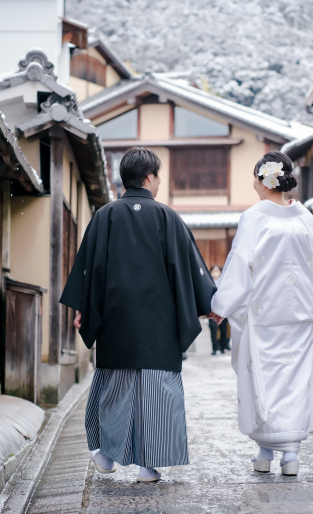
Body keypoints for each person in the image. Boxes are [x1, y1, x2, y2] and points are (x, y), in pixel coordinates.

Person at [60, 147, 216, 483]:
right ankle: (149, 466)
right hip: (160, 325)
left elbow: (91, 270)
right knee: (158, 393)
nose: (159, 182)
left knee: (116, 388)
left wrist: (85, 312)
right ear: (149, 177)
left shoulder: (105, 216)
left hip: (115, 321)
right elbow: (188, 270)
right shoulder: (167, 217)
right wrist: (209, 305)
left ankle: (105, 454)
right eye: (158, 175)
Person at [208, 151, 313, 477]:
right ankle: (291, 455)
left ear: (263, 179)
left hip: (263, 318)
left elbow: (239, 266)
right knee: (295, 382)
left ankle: (264, 451)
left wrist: (221, 306)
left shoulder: (254, 217)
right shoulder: (304, 218)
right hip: (300, 314)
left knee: (265, 379)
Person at [209, 266, 231, 355]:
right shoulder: (208, 282)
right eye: (213, 271)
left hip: (223, 309)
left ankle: (222, 346)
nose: (215, 273)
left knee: (223, 328)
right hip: (211, 309)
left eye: (217, 271)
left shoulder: (224, 282)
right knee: (213, 329)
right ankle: (215, 348)